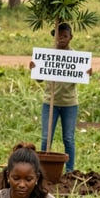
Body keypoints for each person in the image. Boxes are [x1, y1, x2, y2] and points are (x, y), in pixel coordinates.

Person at [29, 23, 86, 172]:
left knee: (68, 139)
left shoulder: (76, 58)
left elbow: (80, 76)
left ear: (70, 37)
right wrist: (35, 70)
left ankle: (70, 170)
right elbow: (40, 79)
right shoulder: (48, 56)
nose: (61, 39)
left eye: (65, 36)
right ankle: (41, 169)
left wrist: (86, 72)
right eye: (58, 36)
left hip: (70, 104)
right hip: (50, 103)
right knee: (46, 138)